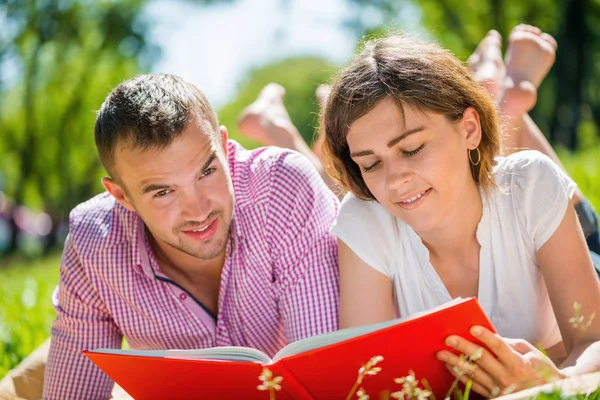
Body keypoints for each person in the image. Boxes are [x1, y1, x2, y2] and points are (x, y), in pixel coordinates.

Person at [0, 73, 340, 400]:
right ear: (122, 196)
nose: (198, 210)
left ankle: (286, 129)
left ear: (223, 145)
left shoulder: (282, 188)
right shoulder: (95, 243)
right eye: (164, 192)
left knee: (347, 196)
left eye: (207, 171)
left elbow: (327, 383)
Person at [321, 24, 600, 398]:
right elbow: (370, 384)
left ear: (469, 128)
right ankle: (504, 91)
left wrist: (553, 384)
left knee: (574, 212)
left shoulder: (531, 183)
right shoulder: (364, 219)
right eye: (370, 164)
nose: (393, 180)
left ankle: (509, 94)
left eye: (412, 149)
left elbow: (593, 339)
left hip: (581, 245)